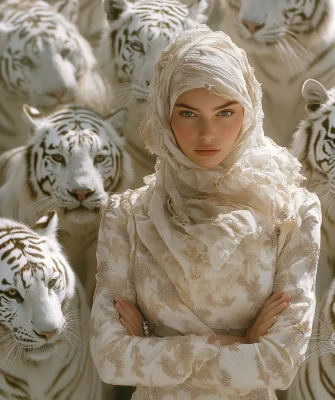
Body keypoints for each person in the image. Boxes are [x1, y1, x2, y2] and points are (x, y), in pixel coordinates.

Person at [90, 25, 321, 399]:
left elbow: (279, 364)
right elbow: (110, 359)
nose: (208, 134)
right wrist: (240, 341)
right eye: (188, 113)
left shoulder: (292, 212)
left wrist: (152, 351)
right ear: (165, 115)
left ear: (248, 112)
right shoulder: (127, 215)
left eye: (225, 112)